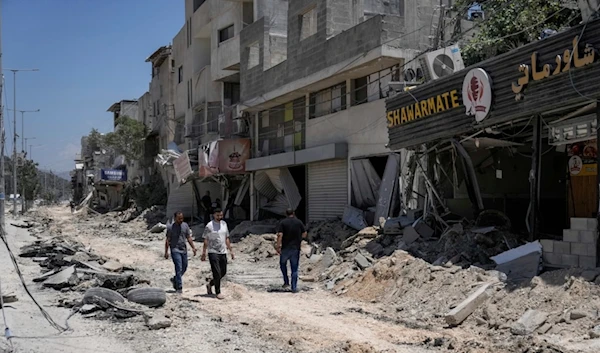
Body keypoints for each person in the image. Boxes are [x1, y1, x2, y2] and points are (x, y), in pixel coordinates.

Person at [201, 208, 234, 299]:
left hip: (223, 251)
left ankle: (210, 284)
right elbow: (206, 239)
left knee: (223, 272)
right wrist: (204, 252)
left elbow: (226, 238)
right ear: (214, 215)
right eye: (218, 215)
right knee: (216, 272)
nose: (219, 217)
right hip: (213, 251)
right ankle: (218, 292)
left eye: (221, 215)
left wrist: (231, 250)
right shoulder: (209, 225)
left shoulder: (224, 224)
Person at [164, 211, 197, 293]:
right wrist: (166, 252)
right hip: (175, 249)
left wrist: (193, 247)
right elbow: (168, 240)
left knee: (184, 267)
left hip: (183, 249)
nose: (181, 220)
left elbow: (188, 237)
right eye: (179, 218)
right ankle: (179, 287)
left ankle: (175, 279)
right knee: (178, 267)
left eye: (182, 218)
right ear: (175, 218)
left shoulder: (185, 226)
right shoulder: (170, 227)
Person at [276, 208, 307, 293]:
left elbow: (280, 235)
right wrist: (299, 237)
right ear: (293, 213)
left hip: (285, 248)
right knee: (294, 268)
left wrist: (278, 246)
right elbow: (304, 234)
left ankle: (286, 282)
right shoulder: (299, 222)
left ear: (286, 214)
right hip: (295, 248)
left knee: (283, 264)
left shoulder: (283, 223)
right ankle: (294, 287)